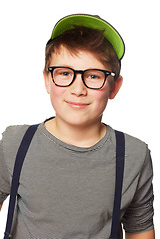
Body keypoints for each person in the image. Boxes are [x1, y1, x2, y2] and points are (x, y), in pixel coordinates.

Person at [0, 14, 155, 239]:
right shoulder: (15, 143)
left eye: (93, 76)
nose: (78, 89)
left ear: (114, 87)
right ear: (47, 80)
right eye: (65, 73)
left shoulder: (134, 155)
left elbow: (140, 229)